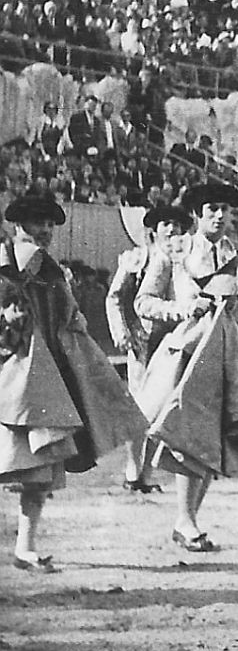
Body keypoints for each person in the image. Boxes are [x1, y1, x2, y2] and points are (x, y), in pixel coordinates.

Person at [0, 193, 148, 571]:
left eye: (50, 223)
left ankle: (25, 548)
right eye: (38, 222)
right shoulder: (8, 264)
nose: (46, 230)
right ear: (18, 225)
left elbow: (67, 319)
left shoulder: (48, 268)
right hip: (13, 379)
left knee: (39, 469)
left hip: (43, 378)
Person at [135, 184, 238, 552]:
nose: (220, 216)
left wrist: (234, 307)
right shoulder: (174, 252)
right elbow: (143, 302)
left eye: (225, 209)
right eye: (212, 209)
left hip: (223, 356)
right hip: (184, 354)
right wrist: (181, 311)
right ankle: (186, 520)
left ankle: (186, 520)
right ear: (196, 214)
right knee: (187, 435)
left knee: (213, 439)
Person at [105, 204, 191, 494]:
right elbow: (115, 297)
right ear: (154, 229)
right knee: (139, 409)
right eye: (166, 224)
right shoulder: (138, 258)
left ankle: (147, 472)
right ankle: (133, 471)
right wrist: (122, 332)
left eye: (177, 225)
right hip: (143, 342)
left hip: (173, 343)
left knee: (162, 409)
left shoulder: (184, 259)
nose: (171, 229)